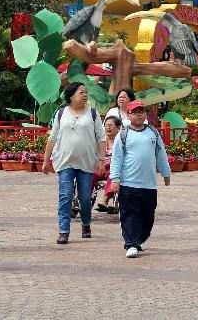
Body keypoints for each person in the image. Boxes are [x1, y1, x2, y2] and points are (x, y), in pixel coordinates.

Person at [41, 82, 107, 244]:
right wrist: (45, 160)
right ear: (71, 95)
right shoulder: (61, 113)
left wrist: (101, 160)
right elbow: (52, 137)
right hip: (65, 161)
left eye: (86, 92)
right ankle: (64, 231)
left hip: (86, 162)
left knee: (84, 198)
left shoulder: (92, 113)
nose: (85, 95)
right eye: (81, 92)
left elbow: (101, 138)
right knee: (65, 196)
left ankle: (85, 223)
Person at [109, 101, 172, 258]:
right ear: (128, 115)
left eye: (141, 111)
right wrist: (115, 179)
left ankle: (140, 239)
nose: (138, 114)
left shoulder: (153, 133)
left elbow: (161, 153)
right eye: (134, 112)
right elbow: (116, 158)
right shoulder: (123, 134)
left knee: (148, 215)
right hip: (128, 183)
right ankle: (131, 243)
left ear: (145, 114)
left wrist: (166, 173)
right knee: (130, 214)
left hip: (149, 184)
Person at [96, 116, 122, 214]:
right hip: (101, 167)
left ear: (118, 128)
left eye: (111, 126)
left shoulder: (121, 141)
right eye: (106, 126)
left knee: (113, 175)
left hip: (114, 168)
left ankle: (105, 201)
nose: (108, 128)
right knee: (89, 175)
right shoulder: (100, 141)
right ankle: (83, 199)